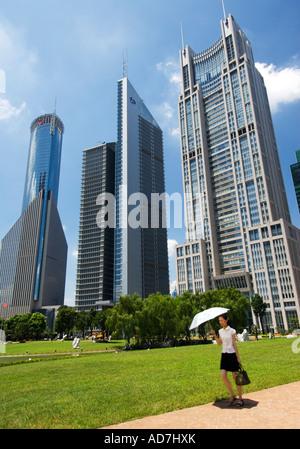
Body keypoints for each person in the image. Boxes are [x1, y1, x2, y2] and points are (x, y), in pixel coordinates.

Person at [211, 314, 244, 407]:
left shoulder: (232, 331)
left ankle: (240, 398)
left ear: (226, 320)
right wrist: (214, 335)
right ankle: (232, 394)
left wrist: (238, 357)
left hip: (232, 354)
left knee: (235, 377)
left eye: (221, 320)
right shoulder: (220, 331)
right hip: (224, 355)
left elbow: (234, 344)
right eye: (219, 321)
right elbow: (219, 343)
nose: (220, 322)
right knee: (223, 376)